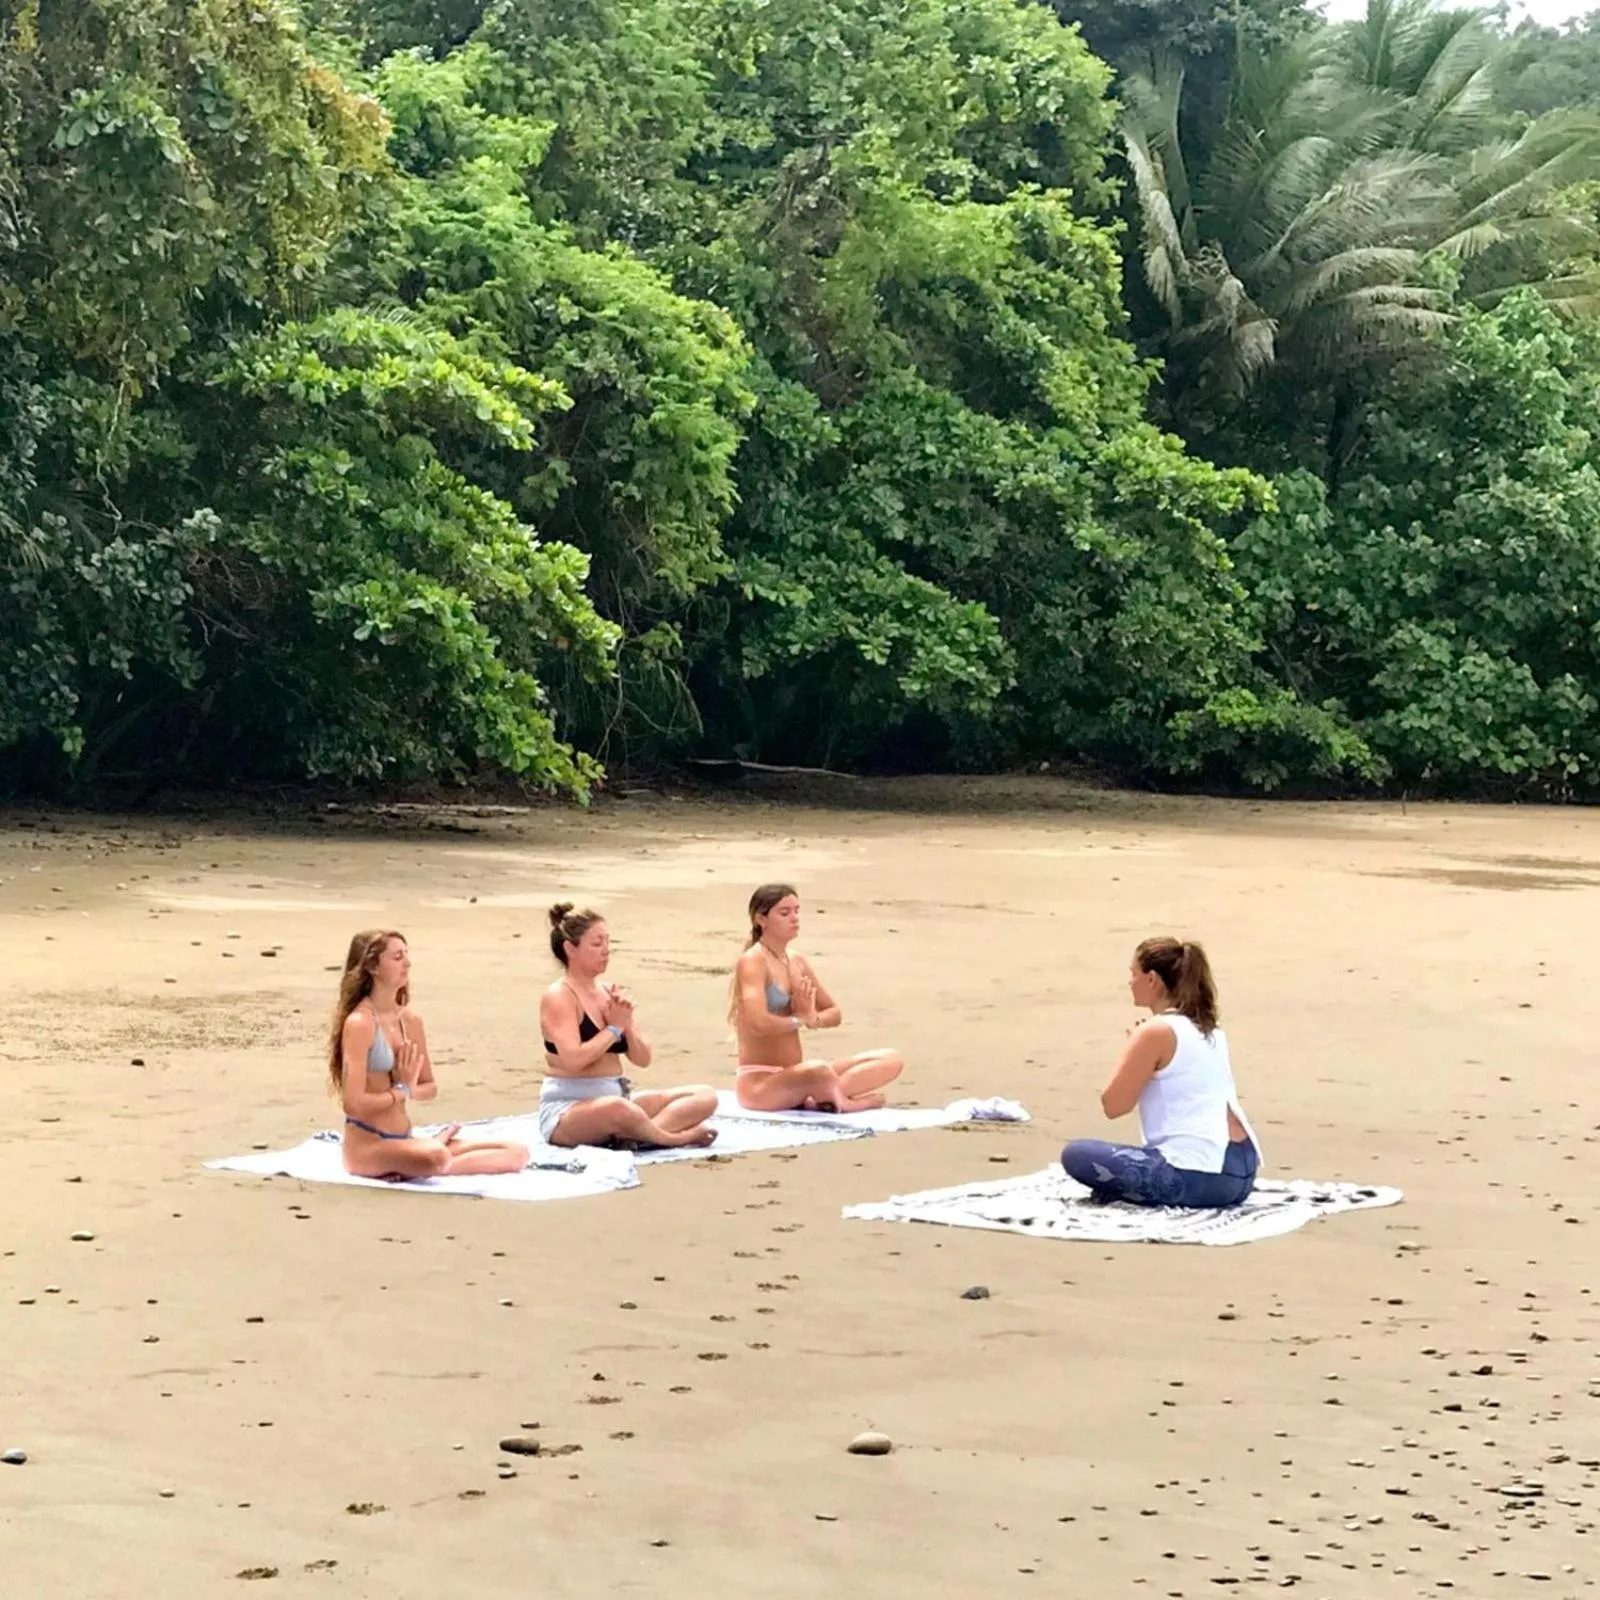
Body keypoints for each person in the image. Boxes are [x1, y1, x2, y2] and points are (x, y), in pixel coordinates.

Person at [1061, 936, 1261, 1208]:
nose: (1130, 981)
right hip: (1243, 1171)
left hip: (1203, 1176)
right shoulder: (1209, 1029)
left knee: (1077, 1155)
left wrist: (1134, 1048)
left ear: (1152, 979)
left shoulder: (1155, 1031)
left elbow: (1114, 1105)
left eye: (1133, 973)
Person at [330, 929, 530, 1180]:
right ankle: (423, 1158)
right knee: (436, 1157)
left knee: (517, 1153)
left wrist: (411, 1089)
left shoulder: (410, 1020)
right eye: (397, 957)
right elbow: (353, 1104)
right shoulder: (360, 1023)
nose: (407, 963)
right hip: (368, 1147)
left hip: (404, 1139)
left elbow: (429, 1086)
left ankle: (416, 1162)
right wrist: (400, 1091)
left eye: (406, 955)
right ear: (373, 967)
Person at [538, 904, 718, 1149]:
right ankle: (674, 1138)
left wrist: (627, 1024)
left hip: (616, 1097)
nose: (606, 951)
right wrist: (612, 1030)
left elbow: (643, 1059)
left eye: (607, 942)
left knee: (704, 1096)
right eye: (596, 943)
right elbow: (573, 1060)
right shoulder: (559, 995)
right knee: (619, 1109)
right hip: (569, 1110)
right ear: (570, 949)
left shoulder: (606, 991)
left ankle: (634, 1137)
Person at [731, 883, 903, 1113]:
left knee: (890, 1059)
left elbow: (834, 1013)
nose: (794, 918)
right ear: (761, 919)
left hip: (797, 1075)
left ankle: (823, 1097)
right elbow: (758, 1023)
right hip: (761, 1086)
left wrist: (813, 1019)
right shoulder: (753, 961)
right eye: (784, 913)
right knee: (818, 1069)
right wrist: (798, 1020)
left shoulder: (795, 960)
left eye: (797, 911)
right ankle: (842, 1102)